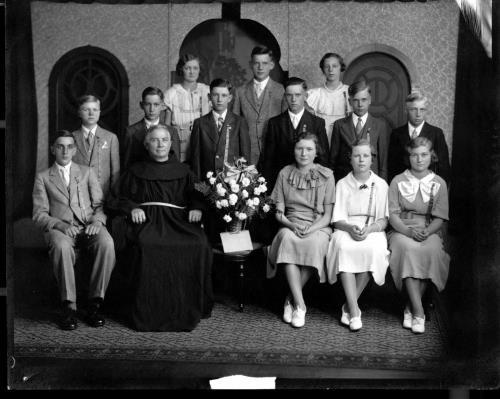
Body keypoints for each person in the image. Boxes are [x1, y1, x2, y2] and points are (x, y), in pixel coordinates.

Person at [107, 124, 213, 331]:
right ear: (146, 145)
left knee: (199, 242)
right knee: (146, 245)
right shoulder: (135, 171)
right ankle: (149, 310)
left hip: (178, 220)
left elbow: (205, 191)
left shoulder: (185, 171)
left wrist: (197, 207)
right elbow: (115, 197)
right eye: (154, 140)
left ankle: (189, 306)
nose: (160, 144)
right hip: (147, 221)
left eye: (164, 140)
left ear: (171, 144)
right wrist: (132, 208)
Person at [32, 131, 116, 330]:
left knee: (107, 243)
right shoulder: (43, 177)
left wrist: (97, 221)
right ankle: (69, 306)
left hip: (88, 226)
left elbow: (99, 205)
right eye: (60, 146)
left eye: (70, 146)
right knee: (61, 246)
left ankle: (95, 303)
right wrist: (60, 225)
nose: (65, 151)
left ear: (75, 150)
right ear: (53, 149)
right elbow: (39, 214)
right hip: (61, 228)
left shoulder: (86, 172)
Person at [267, 132, 335, 328]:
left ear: (316, 152)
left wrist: (312, 228)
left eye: (309, 149)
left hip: (318, 225)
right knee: (288, 240)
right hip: (291, 224)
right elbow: (278, 213)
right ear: (294, 151)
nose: (304, 153)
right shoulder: (284, 173)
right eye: (299, 149)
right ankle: (302, 305)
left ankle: (291, 299)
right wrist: (291, 225)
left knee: (314, 244)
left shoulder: (327, 175)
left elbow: (328, 216)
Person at [325, 140, 389, 331]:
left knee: (374, 249)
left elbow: (384, 220)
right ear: (350, 159)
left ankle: (348, 306)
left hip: (372, 228)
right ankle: (354, 311)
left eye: (366, 156)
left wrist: (369, 230)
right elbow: (336, 220)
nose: (361, 160)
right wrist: (349, 228)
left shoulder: (381, 184)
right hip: (346, 228)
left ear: (372, 159)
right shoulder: (343, 183)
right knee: (343, 247)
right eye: (357, 156)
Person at [388, 137, 450, 334]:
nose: (419, 159)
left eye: (424, 155)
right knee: (406, 249)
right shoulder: (398, 180)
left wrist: (427, 231)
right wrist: (407, 231)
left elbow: (440, 218)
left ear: (431, 157)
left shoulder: (439, 183)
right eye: (414, 155)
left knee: (431, 251)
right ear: (409, 157)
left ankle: (410, 307)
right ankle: (419, 311)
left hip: (427, 228)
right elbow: (392, 215)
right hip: (401, 229)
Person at [260, 77, 330, 191]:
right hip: (282, 184)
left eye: (298, 95)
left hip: (309, 185)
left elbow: (323, 159)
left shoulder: (317, 123)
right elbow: (269, 160)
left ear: (305, 96)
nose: (293, 99)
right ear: (285, 97)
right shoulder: (274, 123)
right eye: (289, 95)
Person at [232, 45, 287, 166]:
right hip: (248, 153)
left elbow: (285, 124)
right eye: (257, 63)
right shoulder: (240, 91)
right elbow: (235, 126)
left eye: (264, 63)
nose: (260, 67)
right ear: (251, 64)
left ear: (271, 65)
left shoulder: (281, 90)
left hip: (274, 152)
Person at [329, 79, 390, 183]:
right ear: (350, 101)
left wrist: (382, 186)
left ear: (370, 100)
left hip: (371, 182)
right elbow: (333, 160)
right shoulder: (339, 125)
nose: (360, 104)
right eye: (356, 100)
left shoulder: (380, 125)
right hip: (345, 182)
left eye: (364, 100)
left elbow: (383, 162)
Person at [189, 78, 251, 181]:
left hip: (233, 185)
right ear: (209, 97)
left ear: (230, 98)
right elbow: (196, 160)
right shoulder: (199, 123)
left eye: (224, 95)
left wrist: (242, 184)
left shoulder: (239, 122)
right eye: (215, 95)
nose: (219, 99)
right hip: (208, 183)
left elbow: (245, 156)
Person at [388, 91, 451, 184]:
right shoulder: (397, 134)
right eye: (413, 109)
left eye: (422, 110)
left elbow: (444, 167)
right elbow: (392, 166)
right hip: (403, 187)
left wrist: (438, 189)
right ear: (406, 110)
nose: (418, 114)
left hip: (428, 187)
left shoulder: (436, 133)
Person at [164, 54, 211, 163]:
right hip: (179, 146)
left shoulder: (207, 91)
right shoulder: (171, 93)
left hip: (202, 144)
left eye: (195, 68)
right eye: (187, 68)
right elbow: (167, 127)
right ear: (181, 69)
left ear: (200, 70)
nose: (192, 72)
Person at [72, 94, 120, 198]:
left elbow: (115, 172)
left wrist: (113, 197)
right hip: (77, 196)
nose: (91, 113)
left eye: (95, 109)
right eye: (86, 109)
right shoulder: (72, 138)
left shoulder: (110, 138)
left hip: (103, 195)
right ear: (79, 112)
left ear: (99, 112)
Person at [122, 87, 181, 169]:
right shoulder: (130, 132)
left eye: (156, 105)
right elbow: (126, 164)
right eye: (147, 104)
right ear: (141, 105)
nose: (152, 109)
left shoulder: (171, 132)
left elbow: (176, 163)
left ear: (162, 106)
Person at [306, 53, 351, 145]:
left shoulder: (349, 92)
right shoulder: (314, 94)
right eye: (327, 66)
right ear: (323, 70)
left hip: (344, 140)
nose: (331, 70)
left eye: (334, 66)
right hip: (321, 140)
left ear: (340, 68)